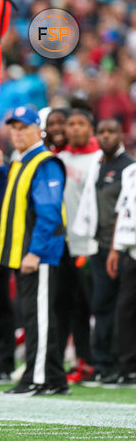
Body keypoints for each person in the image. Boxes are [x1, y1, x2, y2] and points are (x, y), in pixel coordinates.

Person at [0, 106, 69, 396]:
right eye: (13, 127)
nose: (17, 132)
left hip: (39, 257)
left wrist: (35, 252)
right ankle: (55, 379)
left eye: (23, 127)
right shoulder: (21, 162)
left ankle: (36, 379)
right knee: (37, 317)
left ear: (38, 130)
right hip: (24, 255)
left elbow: (50, 213)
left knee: (37, 318)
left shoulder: (44, 162)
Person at [73, 119, 133, 384]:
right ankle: (104, 364)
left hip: (122, 248)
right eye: (102, 132)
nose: (106, 136)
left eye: (111, 131)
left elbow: (124, 211)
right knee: (102, 306)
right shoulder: (98, 166)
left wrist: (117, 247)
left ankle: (124, 365)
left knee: (125, 308)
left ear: (120, 134)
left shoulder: (129, 168)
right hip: (100, 247)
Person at [56, 108, 100, 383]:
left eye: (80, 124)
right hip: (63, 246)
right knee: (68, 307)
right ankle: (80, 360)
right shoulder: (59, 159)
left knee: (93, 306)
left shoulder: (98, 160)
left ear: (90, 128)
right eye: (70, 124)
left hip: (90, 246)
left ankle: (100, 360)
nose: (74, 129)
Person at [103, 158, 136, 387]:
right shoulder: (130, 172)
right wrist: (115, 248)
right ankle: (128, 368)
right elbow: (122, 210)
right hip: (131, 250)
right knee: (125, 311)